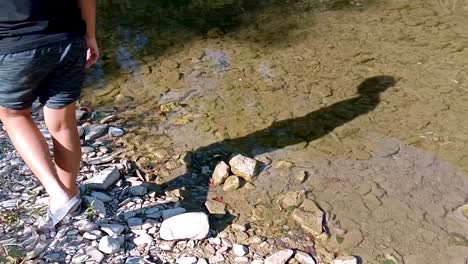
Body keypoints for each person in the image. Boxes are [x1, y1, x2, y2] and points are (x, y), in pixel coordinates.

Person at [0, 0, 99, 227]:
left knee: (14, 115)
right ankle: (71, 194)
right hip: (69, 40)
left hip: (14, 44)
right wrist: (90, 36)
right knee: (63, 124)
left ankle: (58, 193)